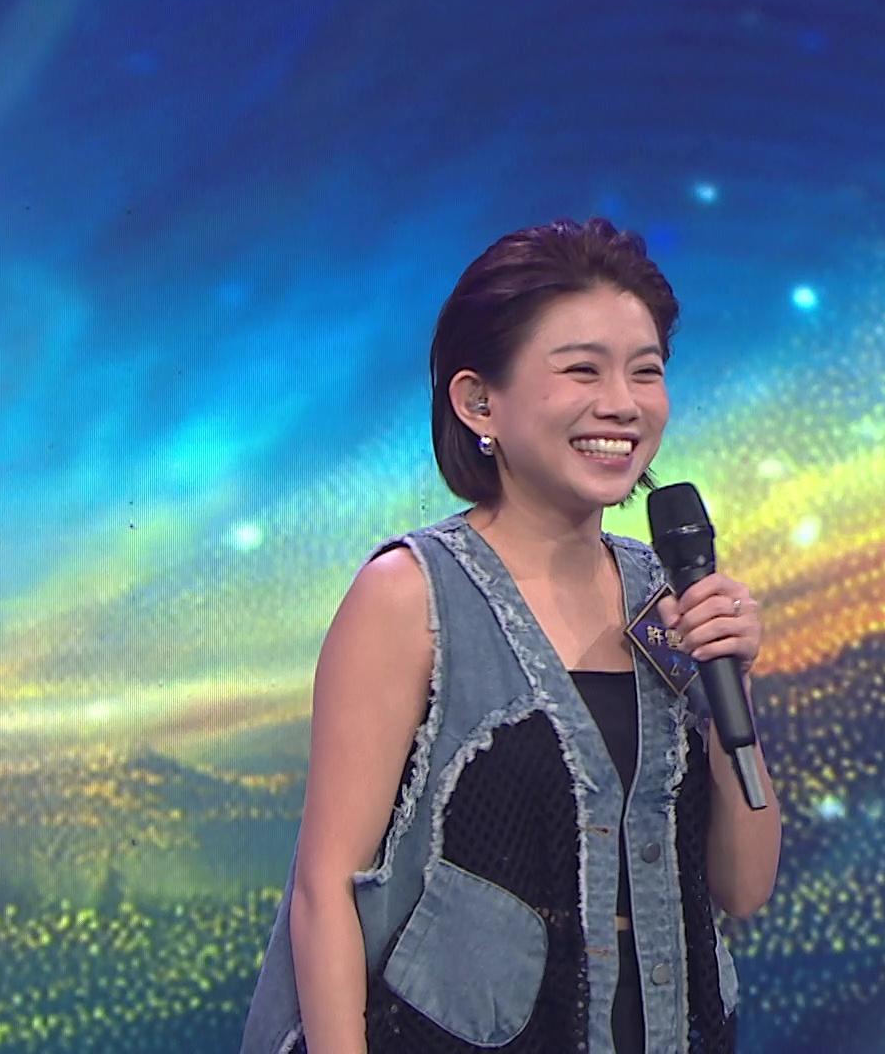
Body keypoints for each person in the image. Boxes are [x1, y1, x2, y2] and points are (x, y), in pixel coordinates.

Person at [241, 218, 781, 1054]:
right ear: (478, 402)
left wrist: (730, 687)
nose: (622, 403)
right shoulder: (410, 594)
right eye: (582, 370)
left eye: (646, 371)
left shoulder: (668, 595)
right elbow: (325, 893)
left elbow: (743, 889)